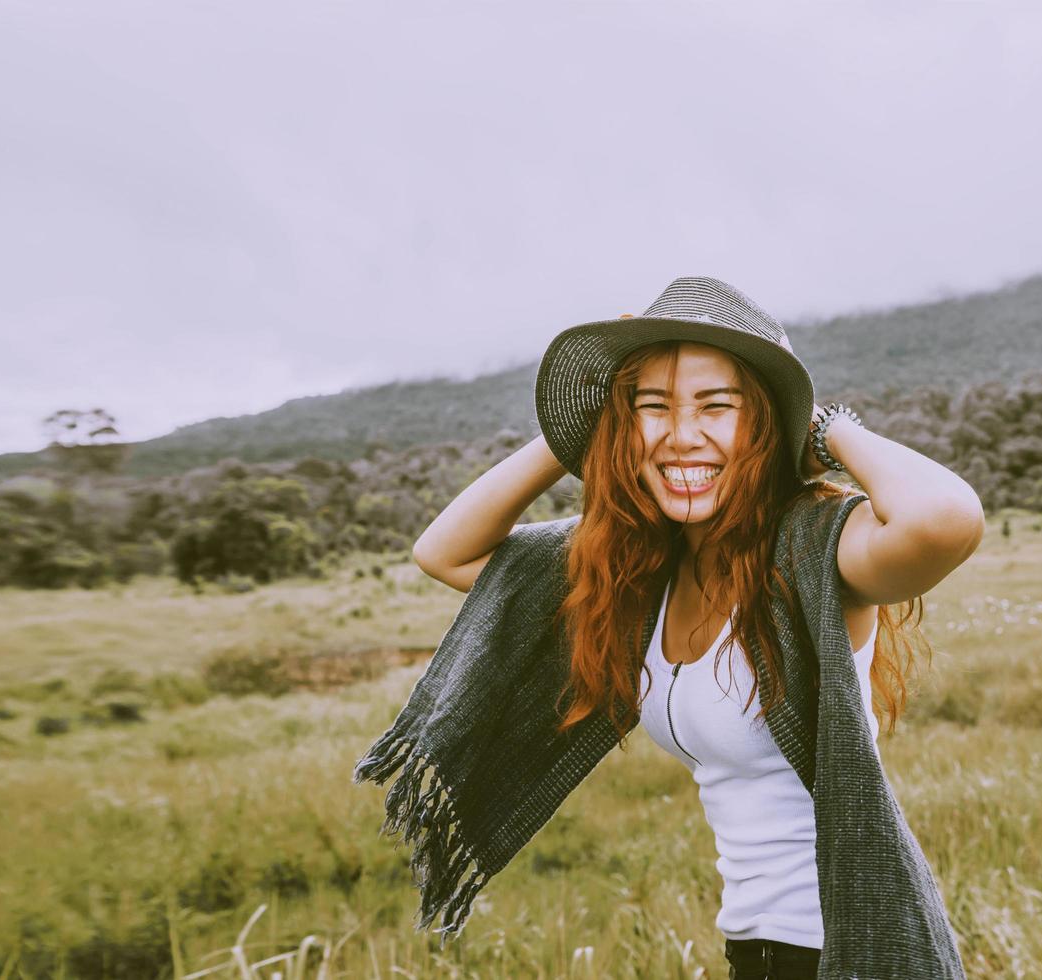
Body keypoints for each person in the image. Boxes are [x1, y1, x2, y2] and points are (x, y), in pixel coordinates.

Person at [364, 275, 982, 979]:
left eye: (719, 407)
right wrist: (587, 421)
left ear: (764, 425)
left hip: (849, 947)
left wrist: (818, 424)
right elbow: (446, 552)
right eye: (651, 408)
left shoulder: (812, 548)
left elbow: (944, 520)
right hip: (756, 950)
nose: (682, 436)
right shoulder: (635, 570)